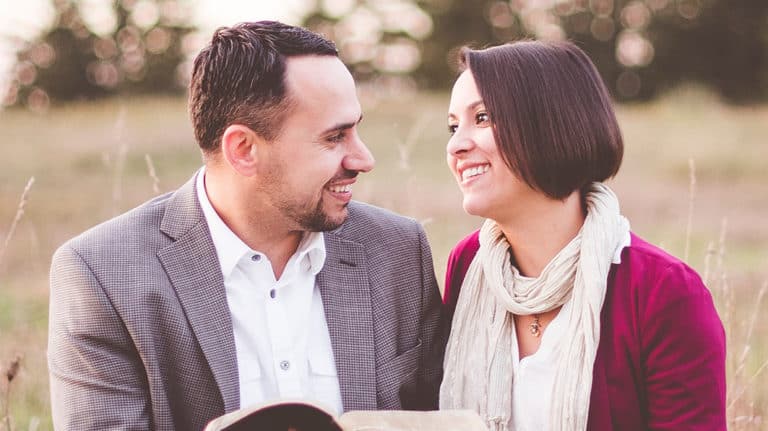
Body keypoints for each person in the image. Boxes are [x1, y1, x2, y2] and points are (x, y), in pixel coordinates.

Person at [48, 21, 445, 430]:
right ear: (243, 150)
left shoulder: (398, 250)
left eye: (356, 128)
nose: (363, 159)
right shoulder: (102, 274)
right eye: (334, 137)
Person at [439, 41, 726, 431]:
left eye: (484, 118)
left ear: (550, 126)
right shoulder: (469, 265)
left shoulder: (663, 292)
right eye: (454, 126)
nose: (456, 145)